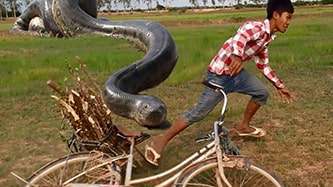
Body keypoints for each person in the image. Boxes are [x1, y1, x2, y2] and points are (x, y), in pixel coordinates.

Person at [145, 0, 296, 166]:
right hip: (219, 76)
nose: (288, 22)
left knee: (261, 93)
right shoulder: (258, 28)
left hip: (236, 74)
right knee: (198, 113)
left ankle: (243, 126)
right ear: (276, 15)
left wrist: (279, 86)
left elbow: (263, 65)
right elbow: (242, 34)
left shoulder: (266, 38)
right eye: (287, 17)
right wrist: (237, 56)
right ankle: (160, 141)